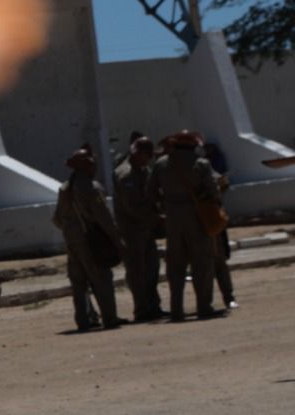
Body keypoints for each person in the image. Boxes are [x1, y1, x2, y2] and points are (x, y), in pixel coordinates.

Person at [146, 130, 225, 321]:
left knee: (175, 266)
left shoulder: (161, 164)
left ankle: (176, 310)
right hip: (196, 217)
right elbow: (214, 192)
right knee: (202, 263)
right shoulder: (201, 164)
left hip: (172, 218)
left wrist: (166, 205)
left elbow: (150, 192)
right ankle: (204, 307)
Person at [51, 147, 125, 331]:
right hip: (90, 240)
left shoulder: (65, 188)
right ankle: (110, 318)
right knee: (102, 279)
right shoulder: (92, 188)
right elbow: (105, 219)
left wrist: (72, 231)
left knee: (78, 282)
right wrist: (118, 241)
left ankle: (83, 320)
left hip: (72, 240)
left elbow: (57, 219)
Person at [111, 136, 164, 322]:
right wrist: (156, 218)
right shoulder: (125, 174)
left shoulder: (143, 170)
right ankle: (142, 309)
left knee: (151, 268)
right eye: (148, 155)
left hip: (145, 228)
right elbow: (133, 206)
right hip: (132, 230)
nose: (149, 159)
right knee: (137, 271)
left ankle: (153, 305)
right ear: (139, 154)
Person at [203, 141, 238, 309]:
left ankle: (228, 296)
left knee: (219, 261)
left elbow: (222, 183)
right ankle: (204, 303)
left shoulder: (203, 166)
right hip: (193, 221)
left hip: (209, 218)